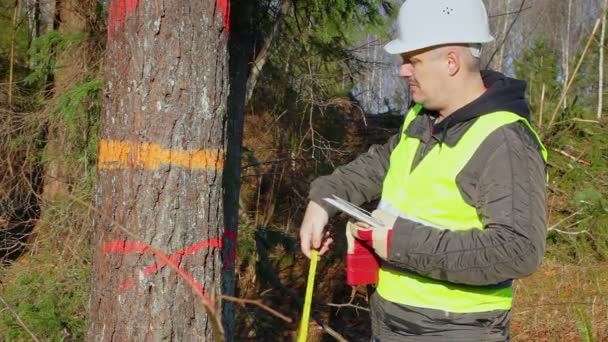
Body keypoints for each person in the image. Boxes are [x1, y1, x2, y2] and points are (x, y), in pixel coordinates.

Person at [298, 0, 548, 340]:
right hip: (390, 320)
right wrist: (323, 199)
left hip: (455, 329)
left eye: (412, 60)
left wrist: (399, 243)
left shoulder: (504, 141)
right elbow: (379, 165)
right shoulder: (423, 117)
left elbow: (518, 250)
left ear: (451, 62)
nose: (402, 70)